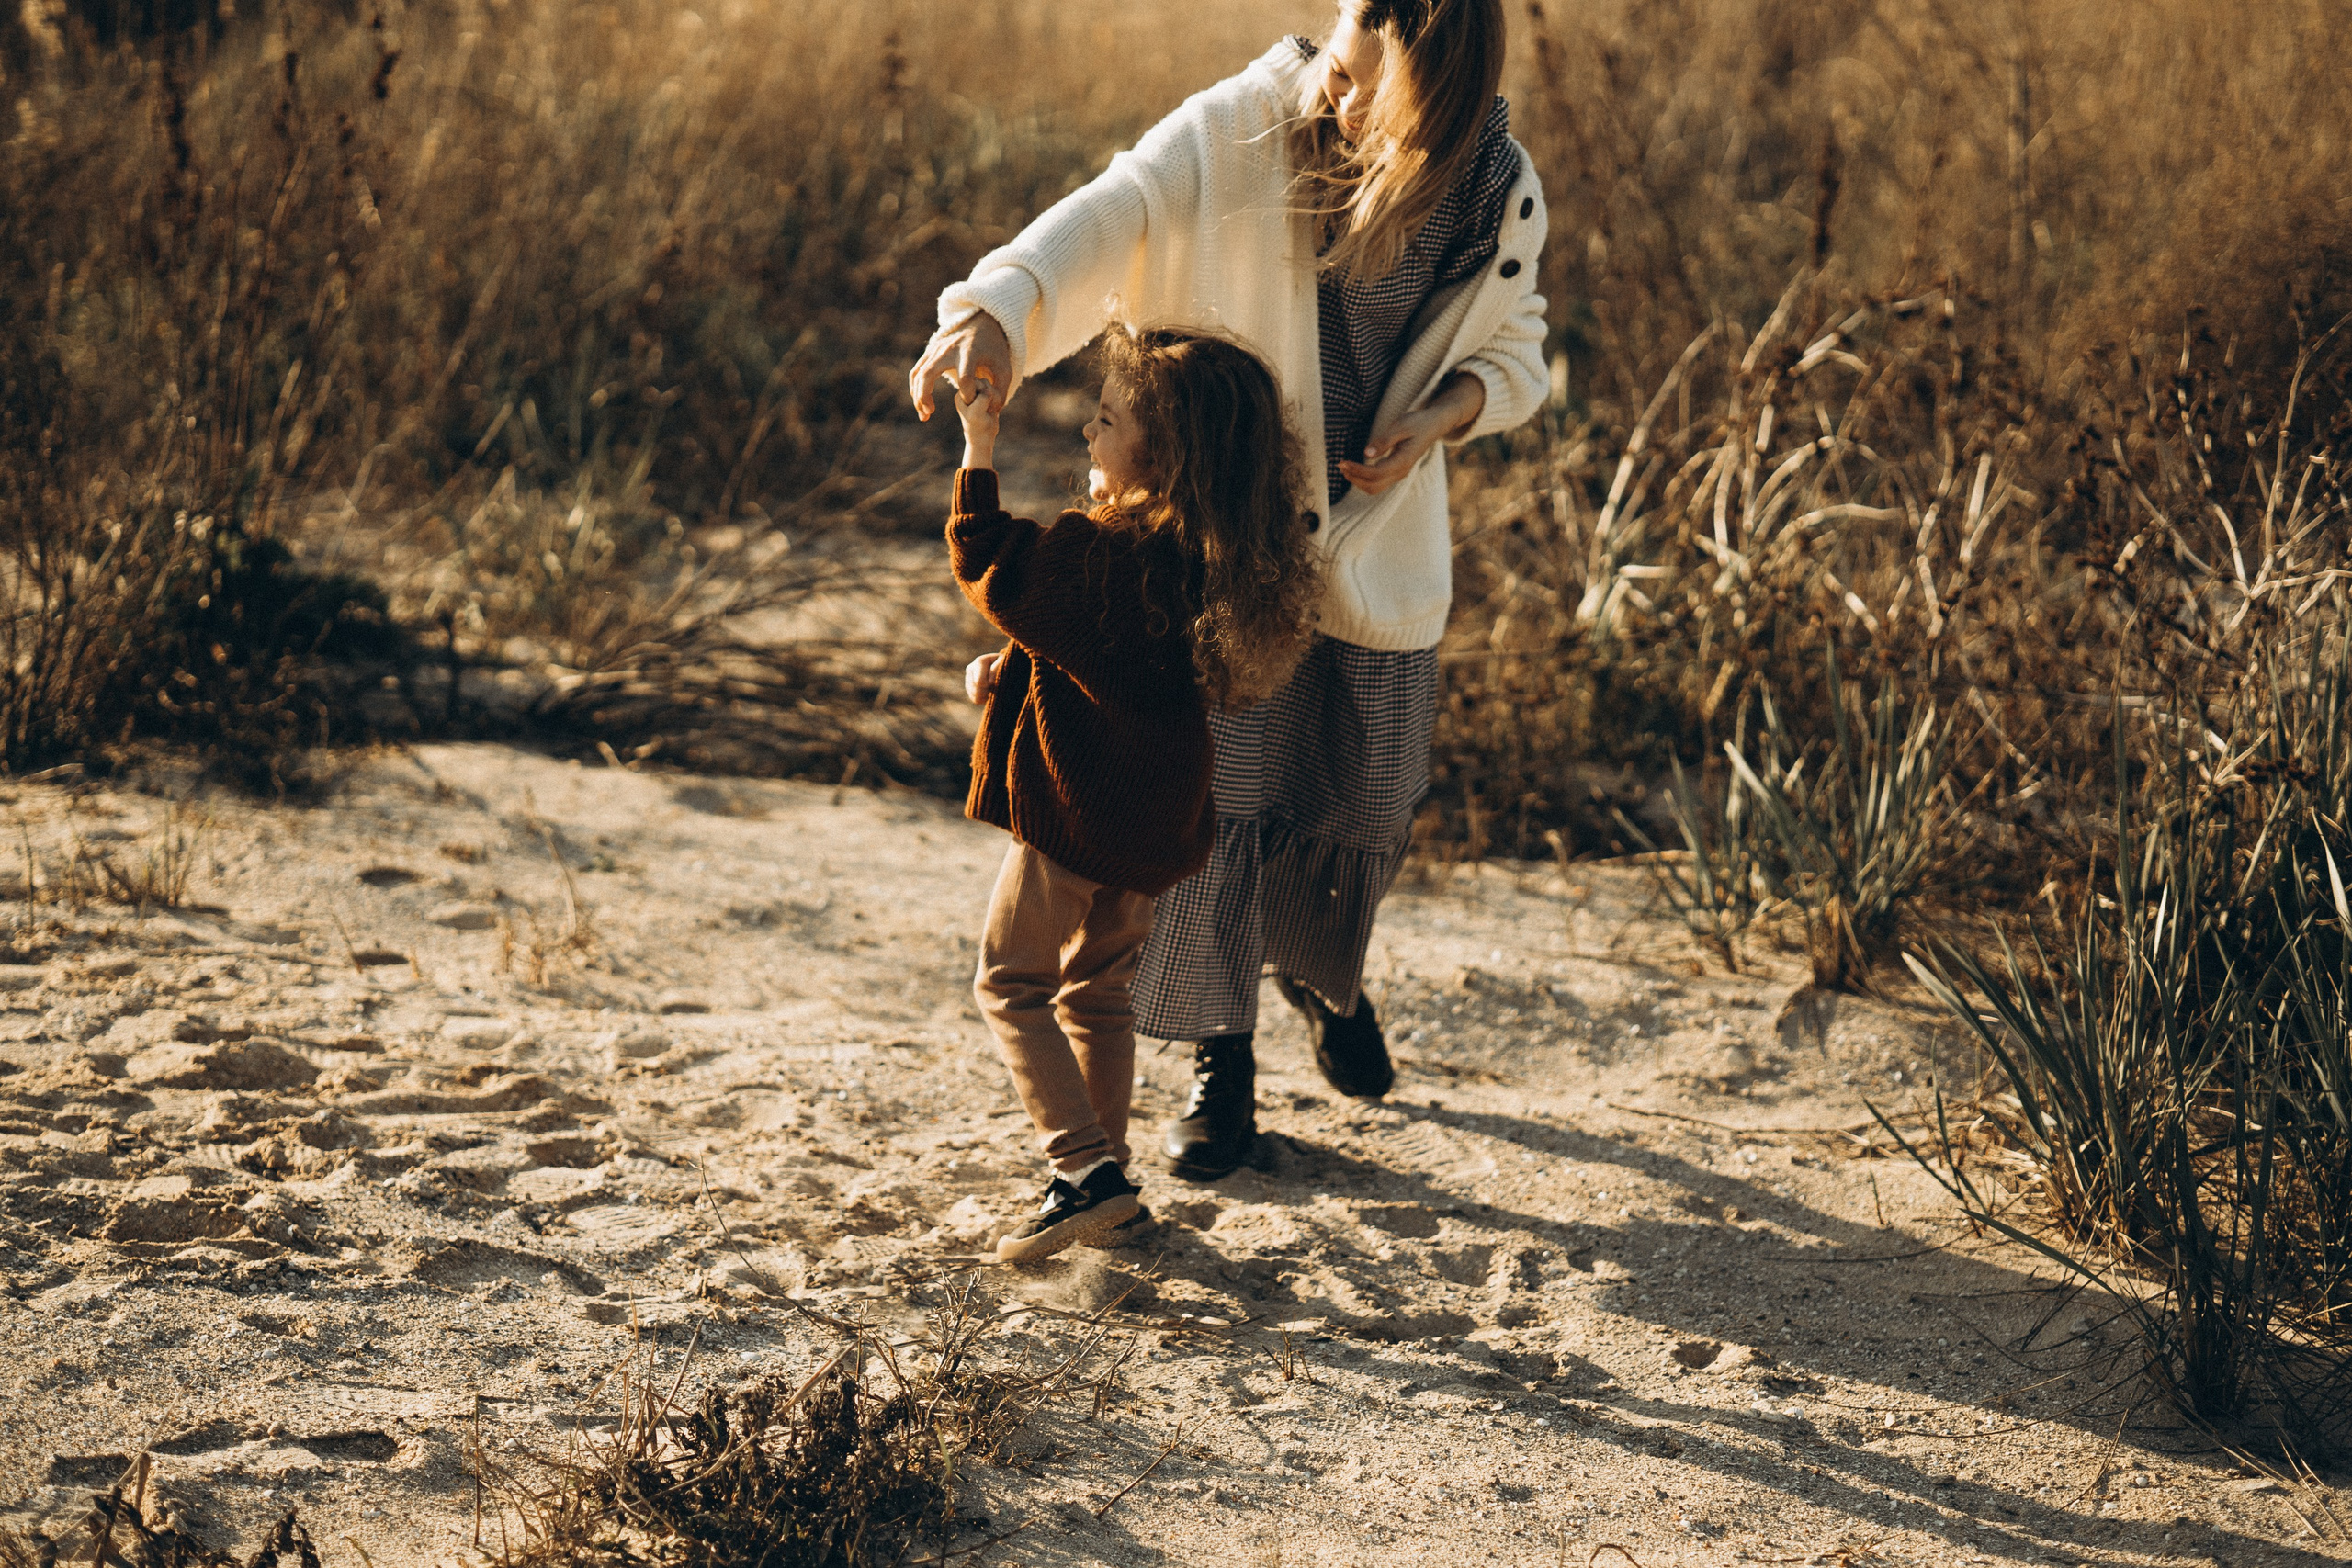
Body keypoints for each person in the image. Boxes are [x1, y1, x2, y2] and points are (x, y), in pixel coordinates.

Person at [912, 0, 1546, 1181]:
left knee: (1362, 806)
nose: (1336, 89)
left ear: (1437, 70)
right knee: (1225, 806)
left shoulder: (1492, 188)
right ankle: (1225, 1064)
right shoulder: (1256, 119)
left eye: (1368, 74)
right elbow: (1121, 205)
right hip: (1235, 549)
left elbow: (1521, 346)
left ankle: (1319, 975)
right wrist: (996, 304)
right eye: (1342, 41)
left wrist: (1448, 410)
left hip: (1375, 544)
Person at [944, 324, 1321, 1263]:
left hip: (1073, 817)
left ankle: (1081, 1168)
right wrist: (1019, 671)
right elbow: (1109, 666)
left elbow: (991, 561)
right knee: (1095, 994)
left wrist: (978, 443)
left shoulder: (1102, 553)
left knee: (1008, 980)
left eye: (1105, 421)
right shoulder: (1203, 560)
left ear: (1161, 454)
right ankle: (1104, 1183)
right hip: (1154, 821)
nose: (1088, 437)